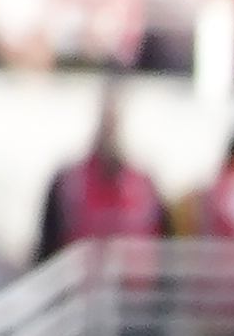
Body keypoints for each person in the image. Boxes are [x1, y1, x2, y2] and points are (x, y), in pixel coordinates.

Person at [40, 98, 169, 258]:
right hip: (83, 278)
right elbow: (47, 248)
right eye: (105, 122)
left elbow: (163, 245)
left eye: (114, 121)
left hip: (131, 279)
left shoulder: (145, 186)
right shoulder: (69, 183)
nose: (110, 129)